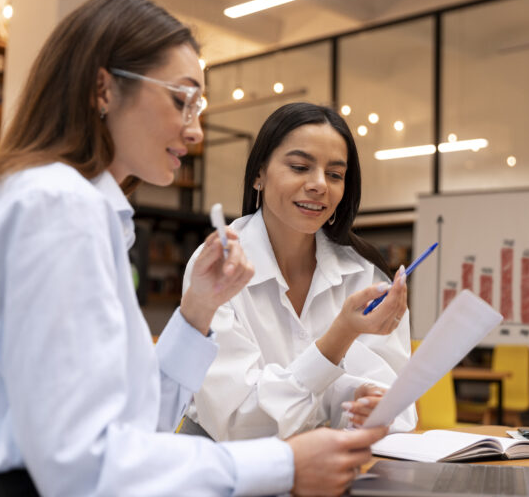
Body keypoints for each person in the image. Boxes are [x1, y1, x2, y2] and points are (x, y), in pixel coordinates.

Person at [0, 0, 386, 496]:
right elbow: (82, 463)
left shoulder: (64, 203)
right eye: (181, 100)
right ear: (104, 89)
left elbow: (137, 423)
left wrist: (196, 312)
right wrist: (285, 464)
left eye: (198, 107)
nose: (196, 131)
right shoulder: (57, 206)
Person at [174, 103, 417, 442]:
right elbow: (237, 421)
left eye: (335, 175)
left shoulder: (365, 273)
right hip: (225, 462)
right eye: (300, 167)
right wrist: (338, 338)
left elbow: (399, 407)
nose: (319, 185)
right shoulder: (217, 265)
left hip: (330, 460)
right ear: (259, 174)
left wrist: (367, 404)